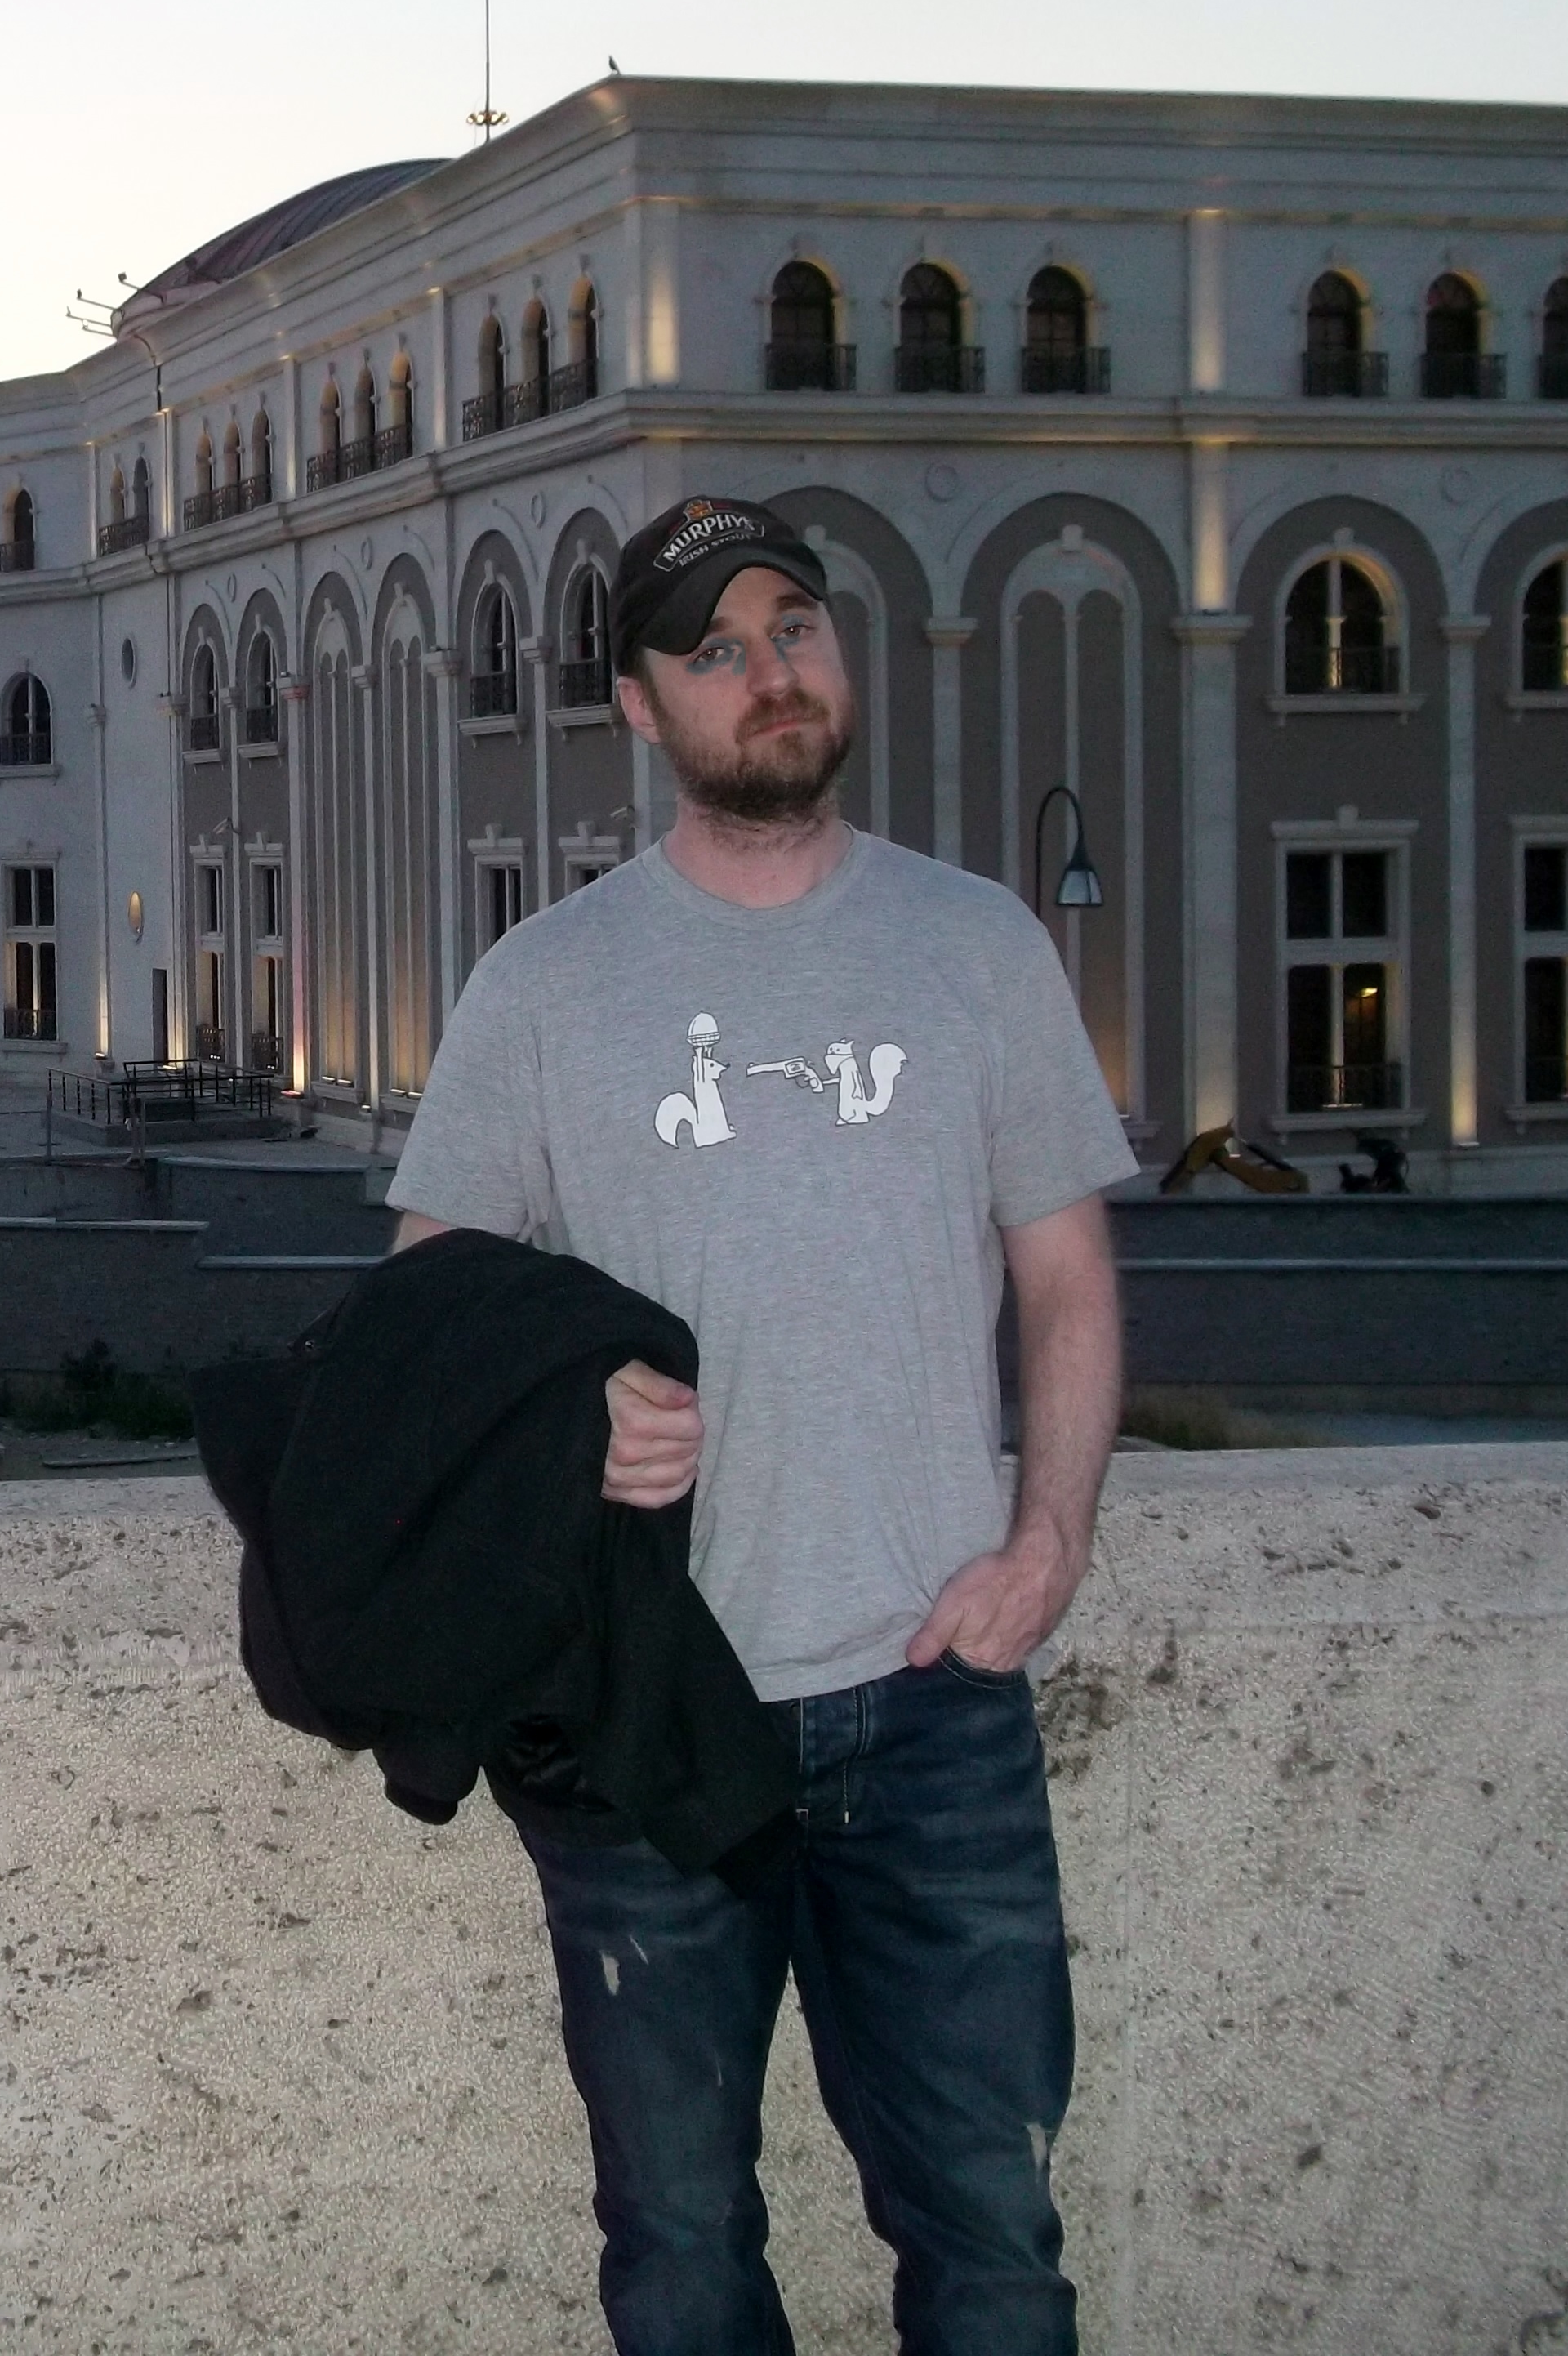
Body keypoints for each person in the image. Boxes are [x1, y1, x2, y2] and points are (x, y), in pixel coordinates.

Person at [385, 496, 1134, 2354]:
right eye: (711, 649)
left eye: (790, 626)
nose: (767, 672)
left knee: (993, 2238)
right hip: (650, 1709)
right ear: (642, 708)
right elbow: (430, 1317)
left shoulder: (974, 946)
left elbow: (1064, 1280)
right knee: (682, 2250)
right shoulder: (543, 982)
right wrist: (573, 1413)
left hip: (935, 1698)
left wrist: (1046, 1546)